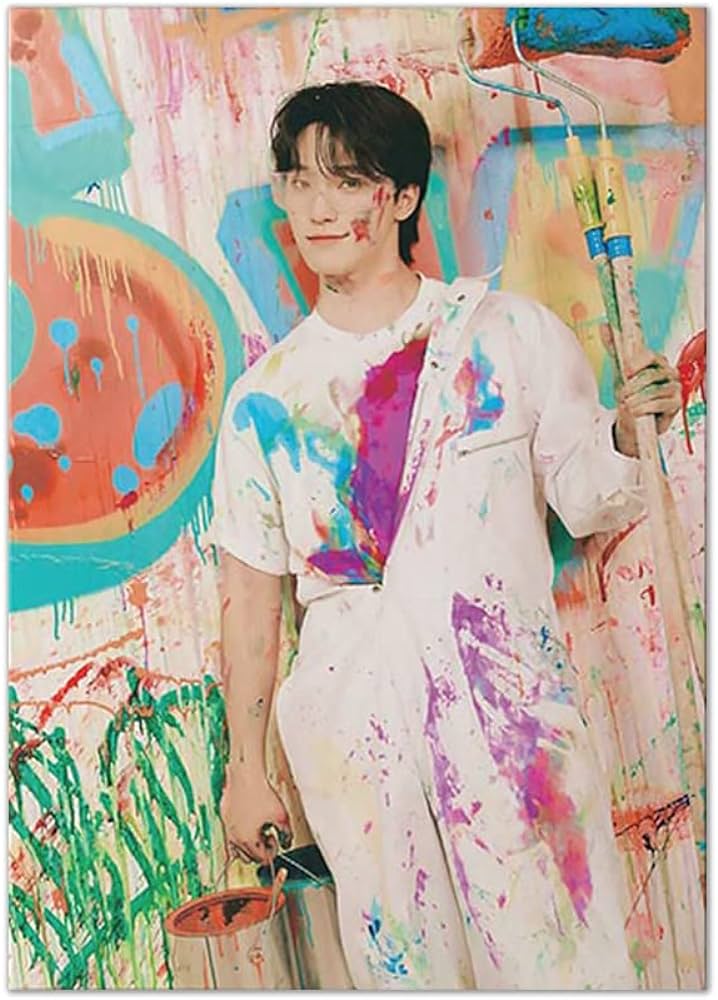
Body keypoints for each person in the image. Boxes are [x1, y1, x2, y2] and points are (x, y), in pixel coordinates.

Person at [211, 81, 682, 989]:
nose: (318, 208)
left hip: (509, 718)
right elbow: (251, 596)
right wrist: (246, 769)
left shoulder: (504, 336)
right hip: (355, 733)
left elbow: (589, 498)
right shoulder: (265, 400)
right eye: (299, 182)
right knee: (405, 970)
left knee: (559, 960)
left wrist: (629, 434)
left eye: (346, 181)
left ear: (400, 197)